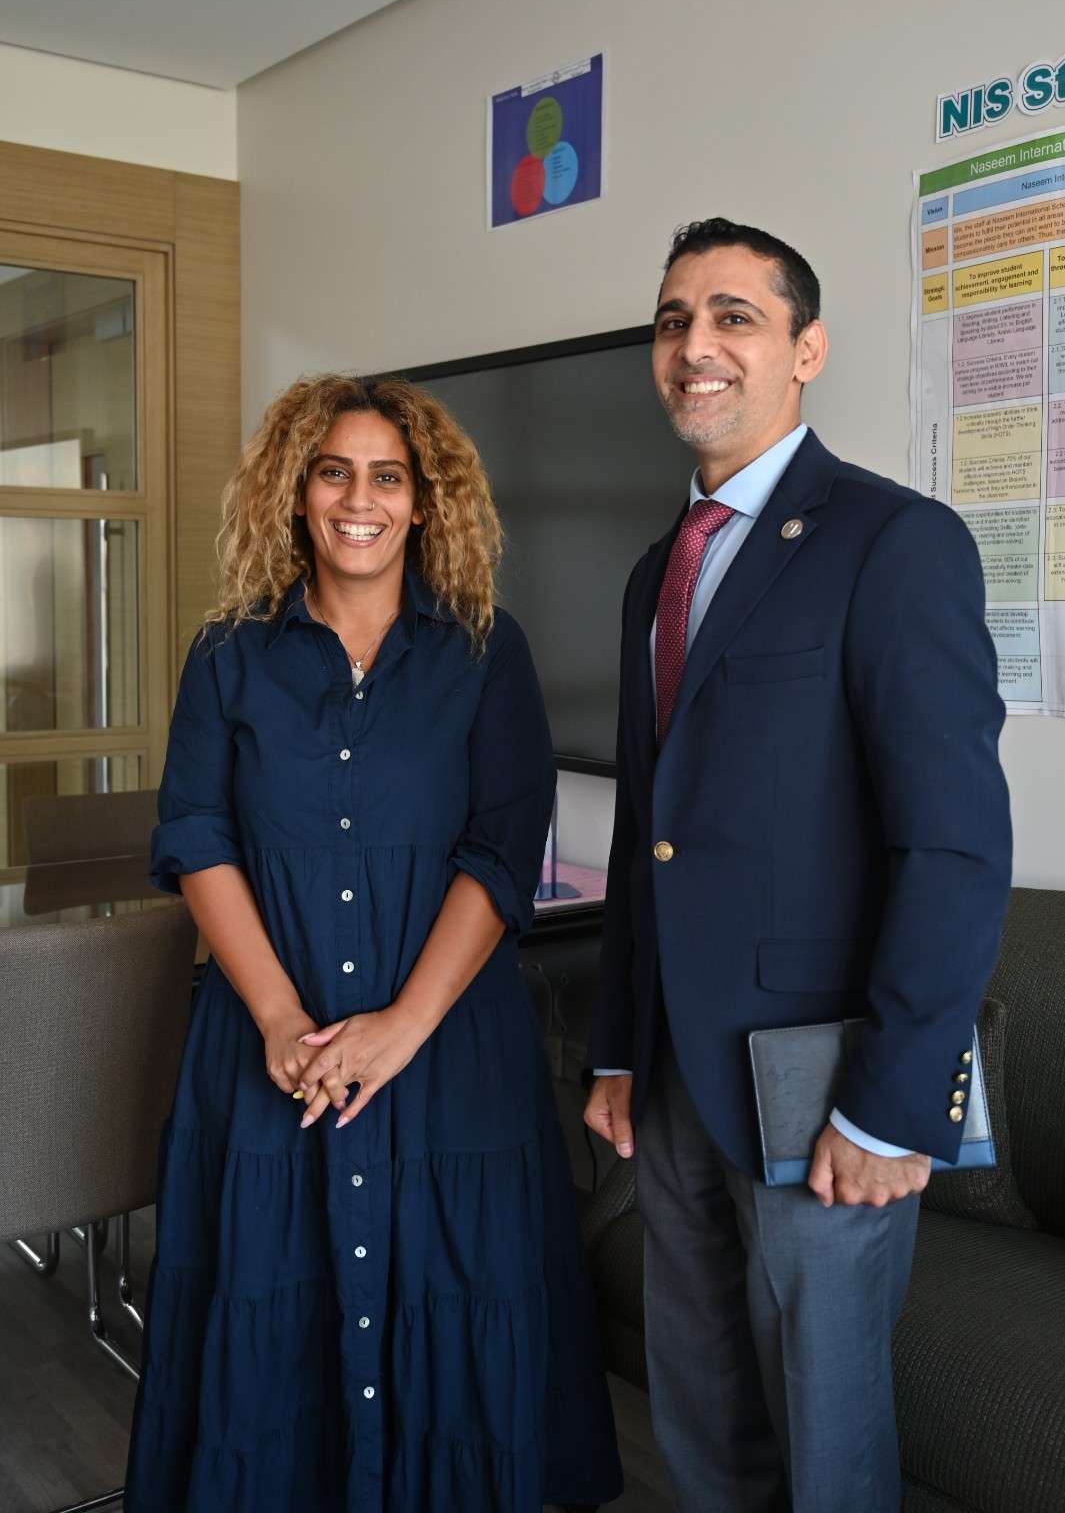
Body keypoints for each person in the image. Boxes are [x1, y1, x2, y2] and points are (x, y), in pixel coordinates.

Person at [125, 373, 622, 1513]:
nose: (361, 499)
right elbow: (196, 834)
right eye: (334, 471)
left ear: (424, 501)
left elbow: (502, 849)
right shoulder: (229, 655)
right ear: (296, 495)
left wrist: (400, 1027)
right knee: (273, 1316)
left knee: (452, 1304)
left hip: (450, 1056)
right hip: (270, 1060)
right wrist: (279, 1017)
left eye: (388, 476)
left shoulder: (489, 651)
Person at [584, 218, 1012, 1512]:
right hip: (671, 1081)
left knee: (827, 1443)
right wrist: (617, 1045)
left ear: (804, 348)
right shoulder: (658, 568)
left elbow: (951, 843)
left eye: (732, 317)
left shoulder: (893, 542)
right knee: (700, 1417)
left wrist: (896, 1104)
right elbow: (647, 831)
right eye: (672, 320)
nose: (694, 346)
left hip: (828, 1092)